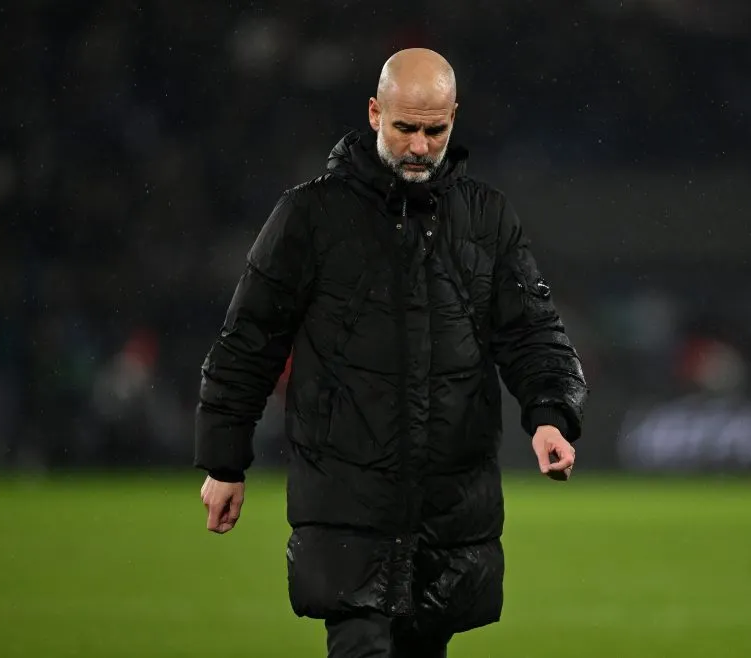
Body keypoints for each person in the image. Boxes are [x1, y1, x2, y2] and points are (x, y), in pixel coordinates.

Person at [195, 48, 588, 657]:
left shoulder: (486, 218)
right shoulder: (309, 216)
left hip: (449, 507)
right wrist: (225, 461)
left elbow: (533, 332)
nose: (420, 145)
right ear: (375, 112)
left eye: (436, 129)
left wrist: (550, 416)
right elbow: (248, 341)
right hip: (346, 498)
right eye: (405, 126)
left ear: (455, 117)